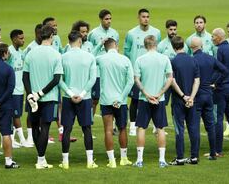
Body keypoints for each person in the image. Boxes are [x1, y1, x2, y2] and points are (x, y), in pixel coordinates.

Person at [23, 25, 63, 169]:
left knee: (34, 126)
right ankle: (41, 160)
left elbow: (25, 78)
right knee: (45, 126)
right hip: (49, 98)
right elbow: (56, 79)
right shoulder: (56, 54)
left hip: (32, 98)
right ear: (51, 36)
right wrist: (40, 93)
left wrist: (30, 95)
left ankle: (40, 158)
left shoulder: (30, 53)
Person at [58, 31, 98, 169]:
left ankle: (65, 162)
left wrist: (70, 93)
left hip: (68, 98)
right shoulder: (89, 57)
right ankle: (89, 162)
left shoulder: (62, 57)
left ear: (69, 42)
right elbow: (92, 79)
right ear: (80, 41)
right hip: (85, 98)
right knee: (87, 129)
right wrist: (82, 94)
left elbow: (59, 79)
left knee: (67, 129)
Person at [133, 35, 172, 168]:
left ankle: (139, 160)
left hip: (145, 99)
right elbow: (170, 78)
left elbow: (137, 79)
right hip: (159, 99)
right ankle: (162, 160)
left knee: (141, 128)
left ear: (145, 45)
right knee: (160, 128)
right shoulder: (164, 58)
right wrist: (160, 94)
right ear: (156, 45)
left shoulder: (140, 59)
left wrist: (146, 94)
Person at [96, 38, 134, 168]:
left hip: (106, 99)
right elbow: (130, 82)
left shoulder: (101, 59)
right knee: (122, 128)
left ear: (105, 47)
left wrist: (98, 45)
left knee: (108, 130)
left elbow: (90, 58)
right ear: (116, 46)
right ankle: (124, 158)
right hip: (121, 101)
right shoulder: (125, 60)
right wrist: (122, 98)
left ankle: (111, 161)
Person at [124, 8, 161, 136]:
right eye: (143, 16)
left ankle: (157, 125)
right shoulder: (131, 33)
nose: (146, 19)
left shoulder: (156, 32)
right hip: (137, 72)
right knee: (135, 100)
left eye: (147, 16)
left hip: (152, 71)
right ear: (139, 18)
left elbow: (159, 51)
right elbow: (127, 52)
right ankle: (133, 126)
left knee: (155, 96)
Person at [191, 37, 228, 163]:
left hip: (197, 96)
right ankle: (213, 153)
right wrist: (215, 82)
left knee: (195, 126)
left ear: (192, 47)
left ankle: (195, 155)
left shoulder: (193, 60)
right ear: (201, 46)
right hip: (209, 95)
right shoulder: (210, 58)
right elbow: (225, 70)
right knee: (211, 125)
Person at [168, 36, 200, 165]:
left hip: (178, 101)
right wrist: (191, 97)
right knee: (193, 128)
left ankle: (180, 158)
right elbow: (197, 81)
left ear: (173, 47)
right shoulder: (193, 61)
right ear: (184, 46)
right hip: (192, 101)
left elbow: (172, 81)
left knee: (179, 129)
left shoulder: (173, 61)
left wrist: (183, 96)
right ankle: (194, 157)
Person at [211, 28, 229, 157]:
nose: (212, 39)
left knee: (219, 118)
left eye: (213, 36)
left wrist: (214, 83)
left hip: (221, 88)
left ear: (219, 37)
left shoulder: (220, 50)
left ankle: (218, 150)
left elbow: (221, 71)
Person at [88, 9, 119, 118]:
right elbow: (90, 51)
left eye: (110, 19)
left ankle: (114, 124)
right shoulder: (93, 34)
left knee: (113, 96)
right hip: (97, 72)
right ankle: (89, 125)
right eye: (106, 19)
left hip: (111, 71)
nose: (109, 21)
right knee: (94, 100)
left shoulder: (114, 33)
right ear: (101, 20)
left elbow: (117, 50)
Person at [7, 29, 32, 148]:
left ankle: (11, 139)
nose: (23, 40)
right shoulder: (9, 53)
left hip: (20, 89)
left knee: (15, 114)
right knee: (16, 115)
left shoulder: (21, 52)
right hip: (13, 90)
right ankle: (22, 140)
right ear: (14, 39)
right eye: (20, 38)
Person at [42, 17, 65, 143]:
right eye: (52, 26)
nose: (55, 28)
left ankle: (61, 132)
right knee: (45, 104)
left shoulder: (57, 39)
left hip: (55, 76)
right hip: (44, 76)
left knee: (59, 103)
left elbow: (61, 53)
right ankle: (45, 132)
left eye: (56, 25)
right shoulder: (39, 43)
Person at [157, 20, 189, 108]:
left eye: (175, 29)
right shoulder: (161, 45)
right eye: (171, 29)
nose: (173, 32)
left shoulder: (183, 45)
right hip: (165, 78)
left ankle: (177, 121)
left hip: (179, 78)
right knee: (163, 102)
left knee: (179, 101)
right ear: (167, 30)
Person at [23, 23, 42, 146]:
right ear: (36, 33)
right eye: (40, 33)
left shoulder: (45, 46)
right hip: (32, 84)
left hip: (42, 82)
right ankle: (30, 137)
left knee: (41, 110)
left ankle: (39, 134)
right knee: (31, 111)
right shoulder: (31, 48)